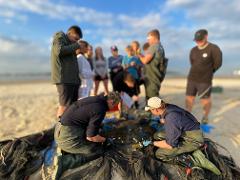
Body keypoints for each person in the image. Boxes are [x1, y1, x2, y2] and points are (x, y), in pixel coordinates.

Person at [144, 97, 221, 175]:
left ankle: (193, 161)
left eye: (151, 110)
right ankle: (183, 148)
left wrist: (152, 143)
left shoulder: (171, 118)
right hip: (187, 132)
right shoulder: (168, 107)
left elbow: (170, 145)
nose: (150, 112)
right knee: (158, 135)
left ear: (156, 109)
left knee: (160, 154)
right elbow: (163, 120)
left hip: (193, 140)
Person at [53, 92, 122, 179]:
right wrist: (106, 140)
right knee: (96, 150)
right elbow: (91, 137)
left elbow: (86, 116)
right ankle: (65, 162)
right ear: (111, 101)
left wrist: (100, 126)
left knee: (97, 135)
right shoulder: (101, 109)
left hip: (59, 129)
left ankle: (67, 149)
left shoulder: (95, 99)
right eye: (115, 105)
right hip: (67, 137)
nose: (114, 108)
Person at [185, 29, 222, 124]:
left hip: (205, 80)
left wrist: (209, 71)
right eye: (196, 40)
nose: (198, 41)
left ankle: (205, 116)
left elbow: (218, 63)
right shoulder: (193, 50)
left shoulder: (214, 48)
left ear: (206, 37)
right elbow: (192, 63)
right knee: (189, 98)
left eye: (200, 39)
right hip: (192, 78)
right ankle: (188, 116)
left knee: (205, 100)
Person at [51, 25, 84, 118]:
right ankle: (59, 129)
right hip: (64, 79)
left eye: (77, 40)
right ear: (69, 33)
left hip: (72, 79)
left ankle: (68, 128)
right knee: (64, 106)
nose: (76, 41)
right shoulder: (60, 35)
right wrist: (77, 45)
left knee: (71, 106)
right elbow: (59, 51)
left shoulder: (70, 43)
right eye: (75, 38)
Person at [138, 29, 168, 100]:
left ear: (154, 37)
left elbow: (145, 60)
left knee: (152, 99)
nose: (148, 40)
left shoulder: (153, 46)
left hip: (152, 78)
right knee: (154, 98)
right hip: (156, 77)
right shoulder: (160, 47)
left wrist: (138, 54)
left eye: (148, 38)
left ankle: (152, 111)